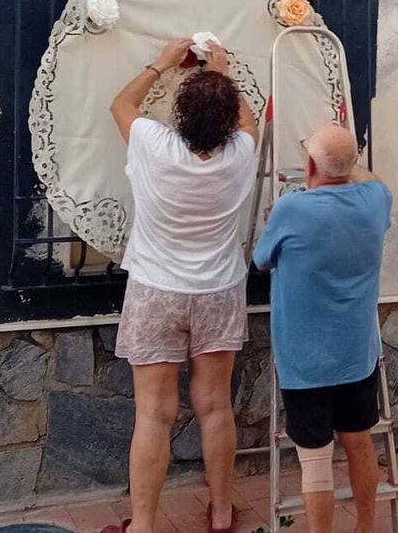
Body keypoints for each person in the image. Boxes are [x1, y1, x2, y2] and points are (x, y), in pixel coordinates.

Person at [104, 37, 259, 533]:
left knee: (153, 413)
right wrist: (223, 73)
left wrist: (162, 63)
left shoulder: (153, 143)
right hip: (218, 290)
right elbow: (249, 124)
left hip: (156, 290)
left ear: (179, 113)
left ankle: (143, 525)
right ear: (227, 120)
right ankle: (221, 514)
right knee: (215, 405)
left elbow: (121, 105)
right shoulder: (241, 154)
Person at [253, 124, 392, 533]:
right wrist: (346, 161)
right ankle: (366, 528)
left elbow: (262, 260)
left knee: (315, 459)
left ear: (310, 166)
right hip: (356, 353)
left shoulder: (291, 209)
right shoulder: (375, 201)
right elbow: (369, 179)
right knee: (359, 441)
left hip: (304, 358)